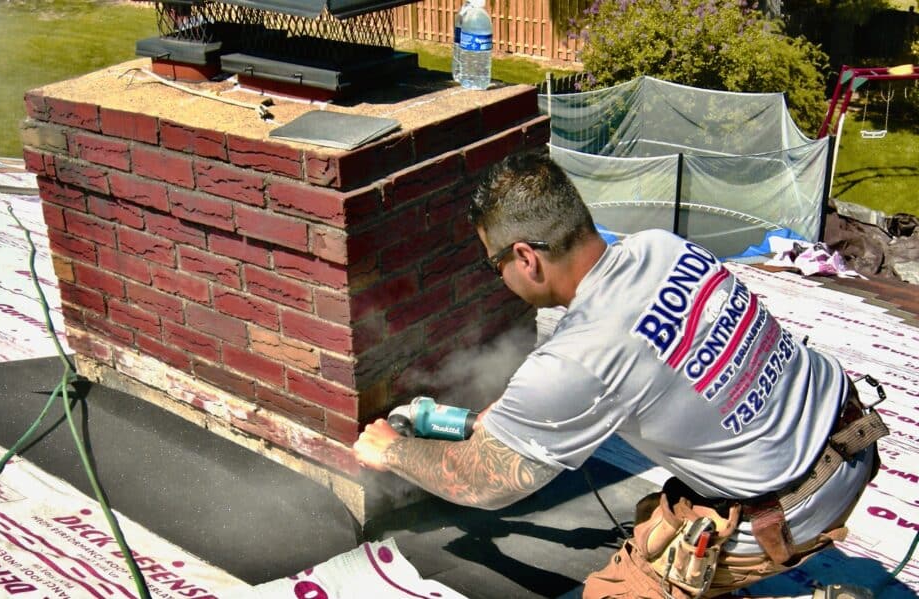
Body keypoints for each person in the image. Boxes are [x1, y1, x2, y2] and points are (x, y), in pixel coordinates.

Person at [352, 150, 886, 598]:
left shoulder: (579, 358)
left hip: (795, 504)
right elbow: (641, 360)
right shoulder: (662, 246)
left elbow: (482, 482)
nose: (500, 279)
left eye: (495, 267)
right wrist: (509, 422)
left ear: (525, 258)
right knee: (658, 515)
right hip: (850, 435)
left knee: (613, 590)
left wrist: (390, 450)